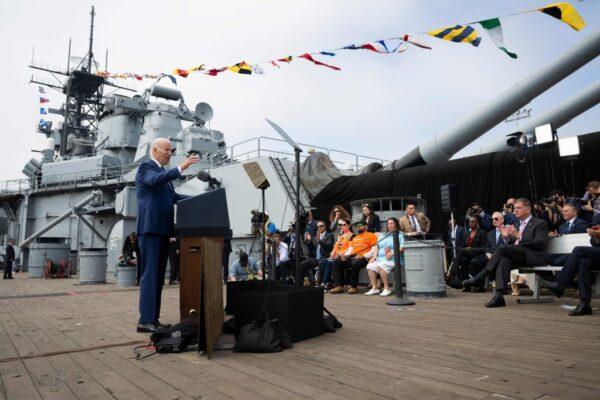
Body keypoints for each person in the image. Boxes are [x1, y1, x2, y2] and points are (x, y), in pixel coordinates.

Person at [135, 138, 199, 333]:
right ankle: (145, 319)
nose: (170, 153)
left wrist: (200, 199)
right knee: (150, 275)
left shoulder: (163, 174)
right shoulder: (146, 167)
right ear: (154, 150)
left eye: (171, 150)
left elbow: (174, 198)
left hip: (163, 231)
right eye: (166, 149)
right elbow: (153, 181)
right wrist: (181, 168)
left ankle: (152, 319)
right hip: (150, 229)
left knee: (158, 276)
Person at [463, 198, 548, 308]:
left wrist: (519, 236)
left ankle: (479, 277)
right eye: (515, 208)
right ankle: (499, 296)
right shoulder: (516, 225)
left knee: (503, 248)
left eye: (519, 208)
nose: (516, 210)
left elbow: (540, 243)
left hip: (534, 256)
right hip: (518, 257)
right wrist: (506, 237)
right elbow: (513, 243)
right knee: (503, 260)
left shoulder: (540, 223)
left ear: (528, 209)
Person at [543, 213, 600, 316]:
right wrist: (596, 236)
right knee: (584, 262)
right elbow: (594, 243)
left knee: (579, 250)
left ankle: (560, 284)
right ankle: (585, 304)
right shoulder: (598, 217)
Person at [330, 221, 378, 294]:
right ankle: (339, 285)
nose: (358, 227)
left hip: (364, 258)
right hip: (353, 257)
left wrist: (363, 256)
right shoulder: (355, 237)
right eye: (357, 226)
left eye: (361, 225)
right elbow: (351, 249)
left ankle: (353, 286)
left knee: (354, 263)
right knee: (336, 261)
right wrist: (345, 255)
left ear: (366, 227)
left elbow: (374, 249)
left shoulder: (371, 235)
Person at [446, 215, 487, 292]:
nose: (470, 223)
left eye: (473, 221)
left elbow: (483, 248)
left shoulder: (482, 233)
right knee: (463, 259)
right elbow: (462, 246)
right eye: (469, 221)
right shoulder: (466, 234)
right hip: (467, 254)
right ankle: (466, 285)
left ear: (477, 223)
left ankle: (451, 272)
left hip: (478, 254)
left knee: (461, 252)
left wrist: (472, 249)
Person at [365, 218, 404, 297]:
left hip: (394, 259)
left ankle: (387, 288)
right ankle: (375, 288)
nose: (390, 225)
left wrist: (393, 253)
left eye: (392, 223)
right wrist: (374, 256)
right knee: (370, 266)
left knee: (381, 266)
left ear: (396, 224)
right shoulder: (383, 235)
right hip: (381, 258)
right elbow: (376, 246)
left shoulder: (400, 234)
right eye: (388, 224)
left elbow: (402, 247)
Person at [299, 221, 334, 285]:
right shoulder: (315, 237)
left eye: (321, 226)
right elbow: (312, 248)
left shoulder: (329, 235)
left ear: (325, 227)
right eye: (318, 227)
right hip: (316, 259)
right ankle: (302, 283)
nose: (319, 227)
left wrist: (319, 240)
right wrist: (308, 241)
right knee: (302, 264)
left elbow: (329, 246)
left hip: (325, 257)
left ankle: (321, 282)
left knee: (321, 262)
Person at [323, 218, 353, 289]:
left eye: (344, 225)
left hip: (346, 257)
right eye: (341, 225)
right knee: (325, 261)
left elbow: (350, 248)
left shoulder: (352, 235)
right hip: (338, 256)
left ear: (349, 225)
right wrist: (332, 253)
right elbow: (335, 247)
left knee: (332, 262)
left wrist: (339, 255)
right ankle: (328, 282)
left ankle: (333, 284)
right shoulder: (340, 236)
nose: (342, 226)